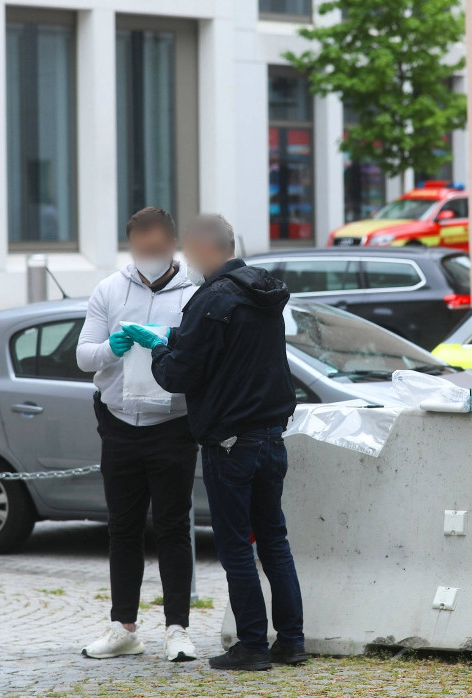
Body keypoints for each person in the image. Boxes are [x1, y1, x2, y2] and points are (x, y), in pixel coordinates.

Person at [122, 213, 306, 672]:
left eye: (186, 250)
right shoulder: (263, 291)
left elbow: (179, 374)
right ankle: (291, 641)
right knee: (274, 541)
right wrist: (180, 340)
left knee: (236, 546)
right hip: (270, 435)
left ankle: (251, 647)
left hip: (230, 441)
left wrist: (160, 348)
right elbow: (232, 355)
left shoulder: (212, 299)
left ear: (204, 249)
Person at [75, 207, 199, 663]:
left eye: (157, 246)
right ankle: (123, 626)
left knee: (172, 529)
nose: (149, 253)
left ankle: (177, 630)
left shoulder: (196, 293)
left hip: (173, 425)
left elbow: (204, 358)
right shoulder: (109, 289)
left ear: (171, 245)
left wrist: (166, 344)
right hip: (120, 424)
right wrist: (113, 347)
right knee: (123, 530)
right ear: (131, 245)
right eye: (140, 246)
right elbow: (83, 356)